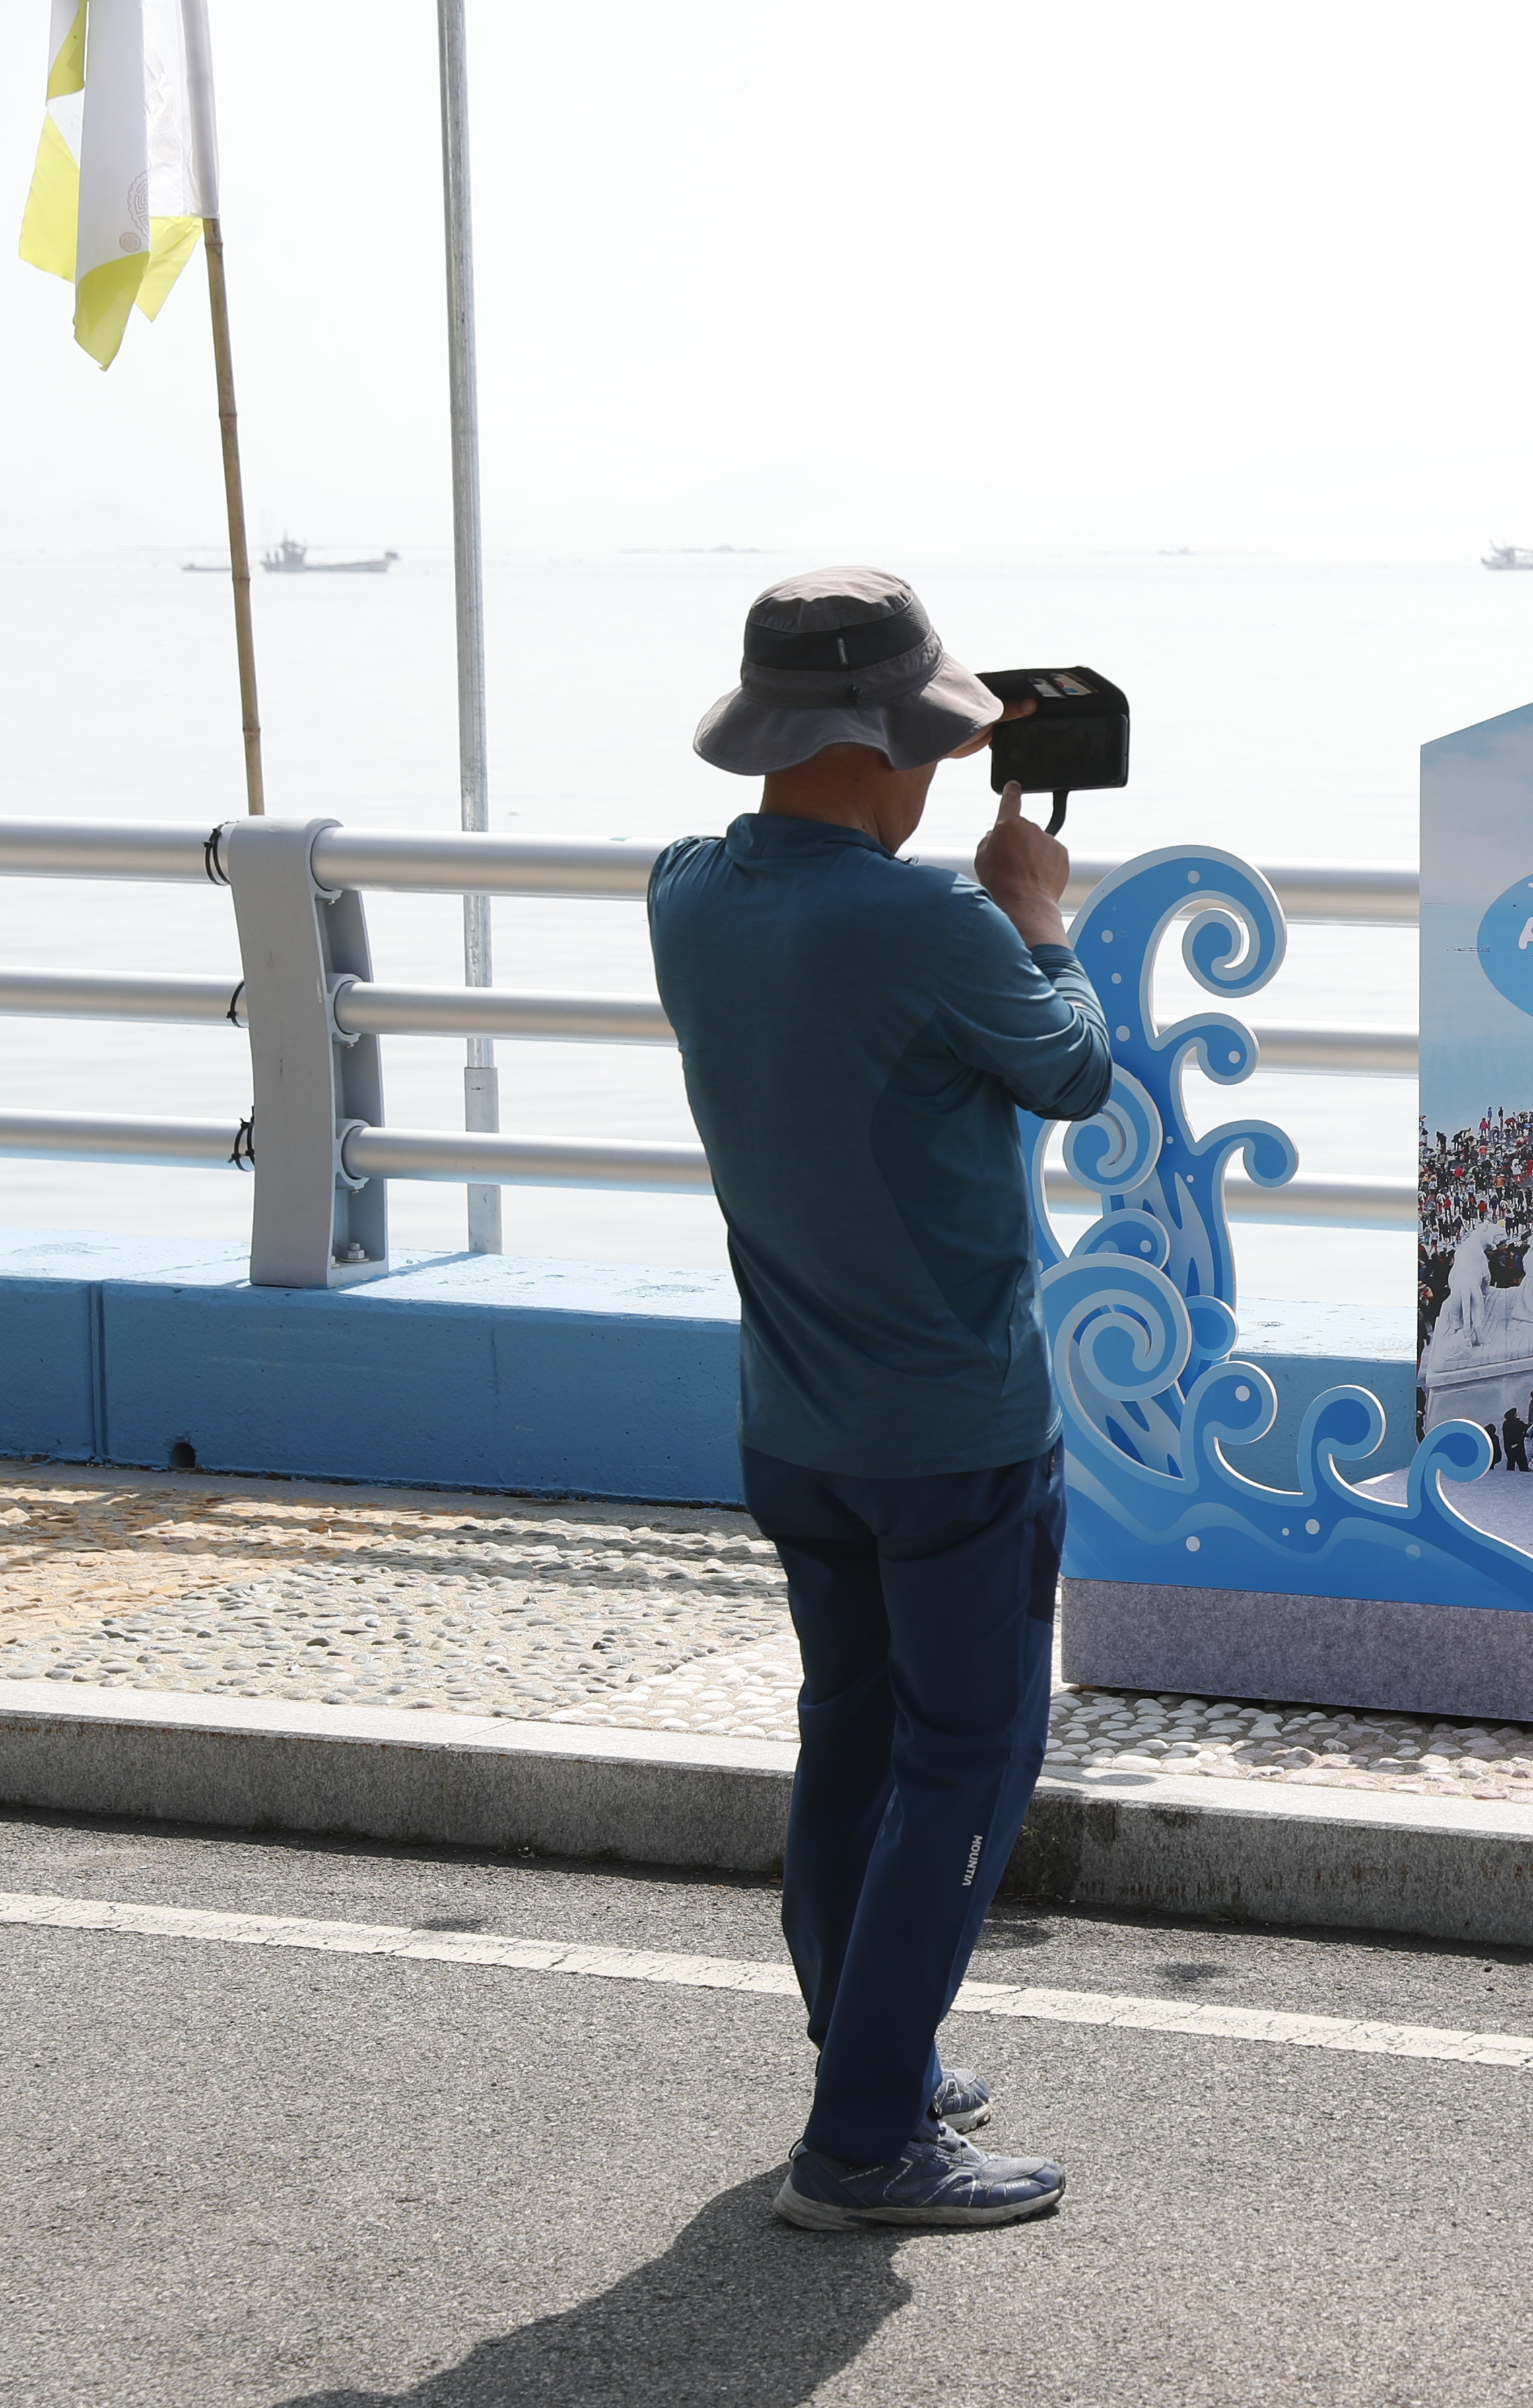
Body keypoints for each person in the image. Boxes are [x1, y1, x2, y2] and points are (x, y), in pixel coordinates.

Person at [651, 567, 1110, 2230]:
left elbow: (832, 933)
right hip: (955, 1433)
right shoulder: (934, 924)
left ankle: (872, 2053)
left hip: (795, 1419)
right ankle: (862, 2147)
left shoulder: (683, 892)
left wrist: (949, 841)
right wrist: (1036, 912)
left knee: (846, 1733)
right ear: (876, 746)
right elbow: (1072, 1070)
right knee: (966, 1764)